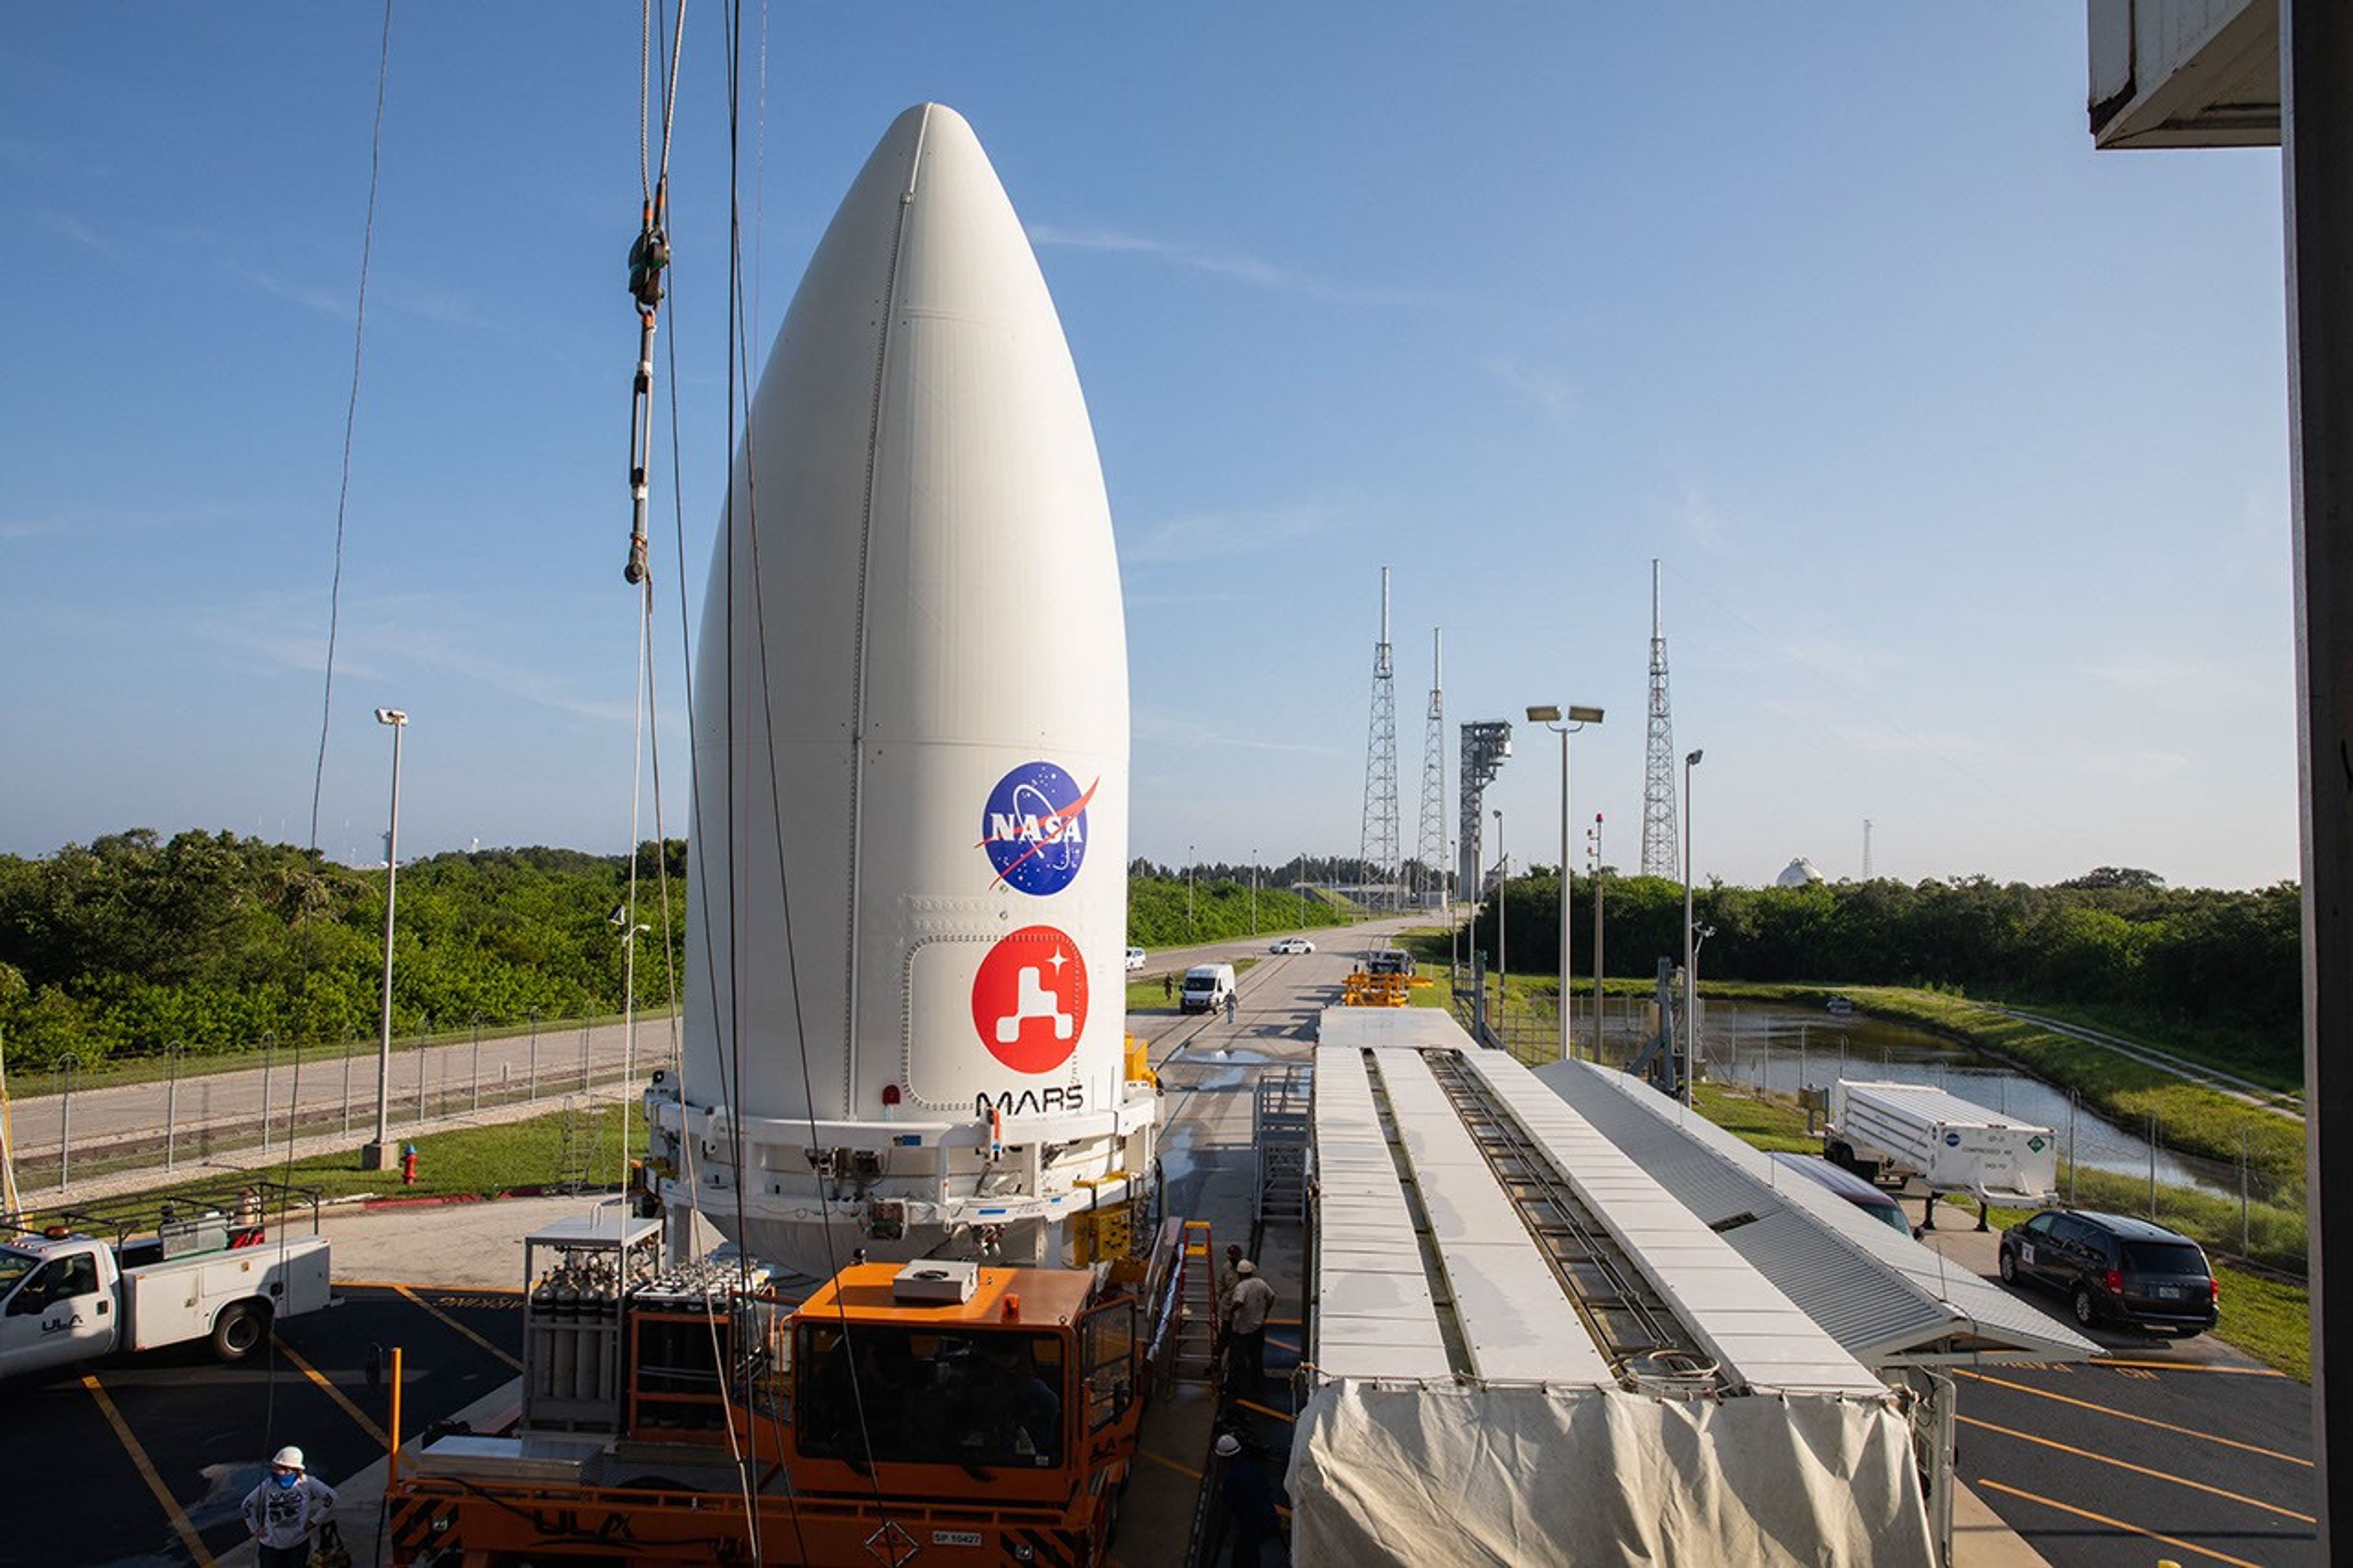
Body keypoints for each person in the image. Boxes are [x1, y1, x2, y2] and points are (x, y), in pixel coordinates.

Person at [241, 1446, 338, 1568]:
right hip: (271, 1547)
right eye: (275, 1468)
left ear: (291, 1470)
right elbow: (247, 1506)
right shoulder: (268, 1485)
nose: (275, 1472)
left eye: (279, 1468)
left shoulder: (308, 1483)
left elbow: (332, 1498)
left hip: (298, 1545)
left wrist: (315, 1521)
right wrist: (254, 1529)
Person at [1216, 1431, 1280, 1564]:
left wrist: (1222, 1533)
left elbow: (1227, 1512)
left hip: (1251, 1527)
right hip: (1269, 1519)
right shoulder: (1253, 1468)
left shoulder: (1232, 1479)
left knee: (1243, 1558)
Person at [1225, 1260, 1276, 1398]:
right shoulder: (1260, 1283)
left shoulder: (1241, 1287)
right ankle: (1258, 1384)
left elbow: (1239, 1301)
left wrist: (1231, 1312)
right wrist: (1266, 1312)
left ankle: (1233, 1389)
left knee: (1237, 1360)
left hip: (1242, 1329)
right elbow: (1272, 1297)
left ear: (1240, 1274)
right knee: (1256, 1358)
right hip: (1258, 1327)